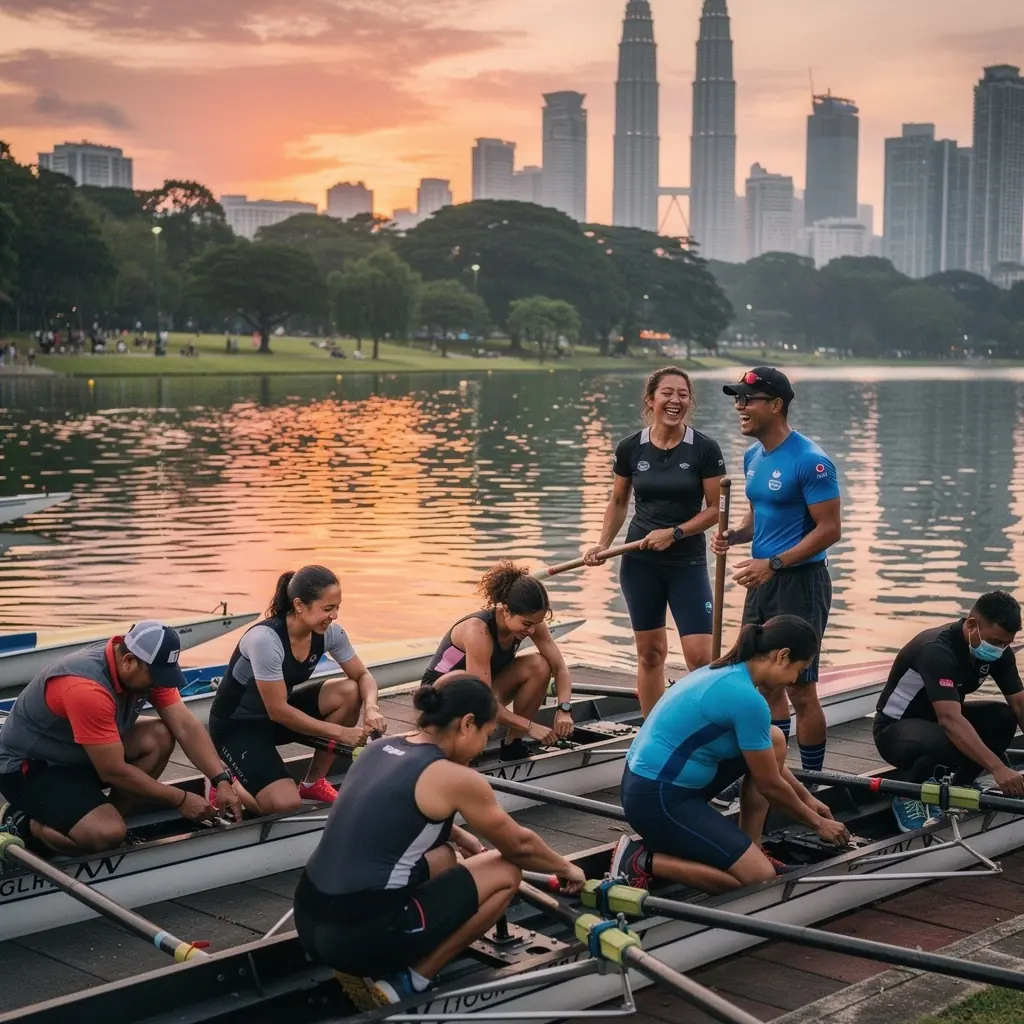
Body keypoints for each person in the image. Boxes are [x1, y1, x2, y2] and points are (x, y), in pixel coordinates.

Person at [294, 671, 586, 1007]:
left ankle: (374, 949)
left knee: (445, 857)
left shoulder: (378, 748)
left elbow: (400, 809)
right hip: (362, 937)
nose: (481, 748)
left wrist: (461, 836)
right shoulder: (455, 777)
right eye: (487, 734)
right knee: (506, 871)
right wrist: (566, 868)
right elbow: (519, 846)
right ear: (467, 724)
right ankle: (410, 979)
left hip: (309, 918)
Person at [610, 616, 850, 894]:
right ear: (782, 656)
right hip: (657, 799)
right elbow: (769, 785)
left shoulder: (724, 670)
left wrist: (807, 799)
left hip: (654, 784)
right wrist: (817, 823)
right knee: (761, 880)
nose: (795, 680)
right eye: (799, 670)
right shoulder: (747, 700)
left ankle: (753, 846)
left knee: (773, 739)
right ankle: (640, 860)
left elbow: (765, 766)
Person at [711, 367, 841, 806]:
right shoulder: (754, 457)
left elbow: (829, 529)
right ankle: (775, 770)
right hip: (763, 580)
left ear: (776, 405)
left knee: (800, 687)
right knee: (763, 681)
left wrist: (776, 563)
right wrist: (735, 536)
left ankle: (814, 778)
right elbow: (759, 521)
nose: (740, 407)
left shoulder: (811, 460)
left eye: (749, 400)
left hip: (801, 583)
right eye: (738, 399)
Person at [0, 621, 242, 855]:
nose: (160, 683)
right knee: (107, 835)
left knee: (158, 736)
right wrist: (181, 800)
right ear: (128, 661)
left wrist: (220, 779)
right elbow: (112, 771)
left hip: (78, 753)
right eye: (156, 676)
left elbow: (185, 727)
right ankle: (24, 822)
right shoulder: (85, 688)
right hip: (28, 768)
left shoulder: (145, 664)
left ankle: (101, 819)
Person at [585, 367, 727, 716]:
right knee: (650, 653)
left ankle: (706, 726)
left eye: (683, 394)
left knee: (701, 657)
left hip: (686, 564)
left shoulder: (705, 449)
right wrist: (603, 544)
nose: (675, 400)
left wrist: (676, 532)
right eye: (667, 393)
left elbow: (716, 510)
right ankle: (653, 730)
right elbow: (618, 502)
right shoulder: (630, 447)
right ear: (651, 399)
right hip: (639, 563)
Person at [208, 566, 383, 813]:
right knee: (285, 804)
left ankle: (313, 783)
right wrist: (341, 733)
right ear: (300, 606)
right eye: (327, 608)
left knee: (350, 691)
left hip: (276, 719)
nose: (334, 616)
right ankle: (230, 783)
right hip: (237, 725)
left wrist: (372, 709)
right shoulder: (266, 640)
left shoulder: (330, 634)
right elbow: (278, 710)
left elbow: (363, 675)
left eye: (337, 607)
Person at [874, 591, 1024, 832]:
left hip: (939, 724)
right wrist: (998, 768)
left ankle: (961, 785)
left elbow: (1019, 704)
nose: (1001, 649)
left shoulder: (999, 651)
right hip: (894, 729)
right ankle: (909, 795)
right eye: (996, 642)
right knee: (944, 738)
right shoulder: (937, 650)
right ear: (972, 625)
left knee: (1005, 717)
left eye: (1007, 643)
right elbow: (950, 720)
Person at [421, 562, 574, 762]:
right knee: (479, 702)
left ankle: (513, 745)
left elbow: (560, 667)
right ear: (506, 611)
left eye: (536, 624)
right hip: (441, 696)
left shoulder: (532, 623)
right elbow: (480, 700)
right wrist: (530, 726)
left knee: (540, 665)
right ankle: (465, 748)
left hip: (479, 689)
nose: (531, 631)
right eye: (526, 624)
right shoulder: (478, 632)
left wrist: (564, 709)